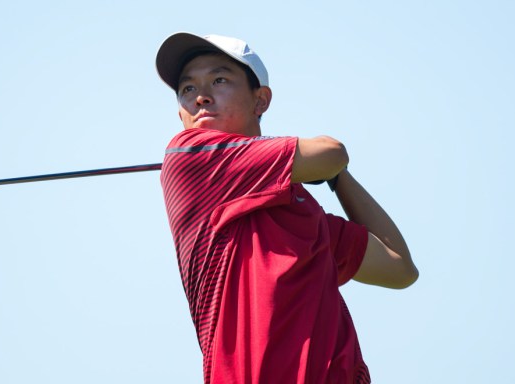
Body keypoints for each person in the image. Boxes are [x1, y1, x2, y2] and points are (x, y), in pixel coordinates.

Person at [155, 32, 419, 384]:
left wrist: (338, 179)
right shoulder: (190, 156)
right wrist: (327, 166)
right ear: (180, 113)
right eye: (188, 89)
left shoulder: (303, 212)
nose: (200, 96)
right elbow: (331, 151)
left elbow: (399, 269)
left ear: (260, 100)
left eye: (219, 80)